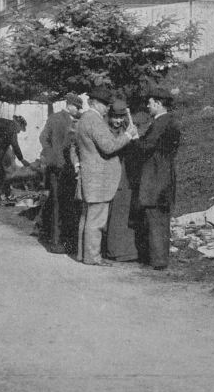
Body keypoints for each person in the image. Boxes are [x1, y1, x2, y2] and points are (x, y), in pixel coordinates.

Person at [75, 87, 137, 266]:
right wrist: (128, 135)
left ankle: (82, 254)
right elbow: (108, 147)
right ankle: (93, 257)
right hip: (99, 178)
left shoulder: (84, 120)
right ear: (94, 103)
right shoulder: (94, 120)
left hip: (89, 175)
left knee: (86, 218)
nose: (106, 108)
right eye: (104, 104)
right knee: (96, 220)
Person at [133, 85, 181, 269]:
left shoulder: (160, 123)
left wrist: (134, 139)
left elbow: (146, 146)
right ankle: (161, 258)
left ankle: (158, 260)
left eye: (150, 102)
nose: (147, 105)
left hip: (156, 175)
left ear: (159, 104)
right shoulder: (170, 121)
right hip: (165, 174)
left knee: (155, 217)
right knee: (161, 217)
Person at [39, 93, 82, 254]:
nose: (78, 110)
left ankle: (55, 240)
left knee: (56, 202)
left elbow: (43, 138)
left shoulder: (53, 118)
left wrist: (50, 155)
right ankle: (61, 241)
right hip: (67, 167)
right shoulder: (72, 122)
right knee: (66, 204)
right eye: (77, 107)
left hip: (54, 167)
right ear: (69, 104)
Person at [104, 99, 140, 263]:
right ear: (109, 116)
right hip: (112, 175)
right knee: (114, 214)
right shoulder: (105, 130)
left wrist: (134, 137)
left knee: (124, 212)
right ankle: (115, 250)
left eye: (121, 118)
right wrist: (127, 136)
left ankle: (127, 251)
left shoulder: (127, 129)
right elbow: (111, 148)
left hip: (126, 175)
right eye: (115, 118)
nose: (118, 121)